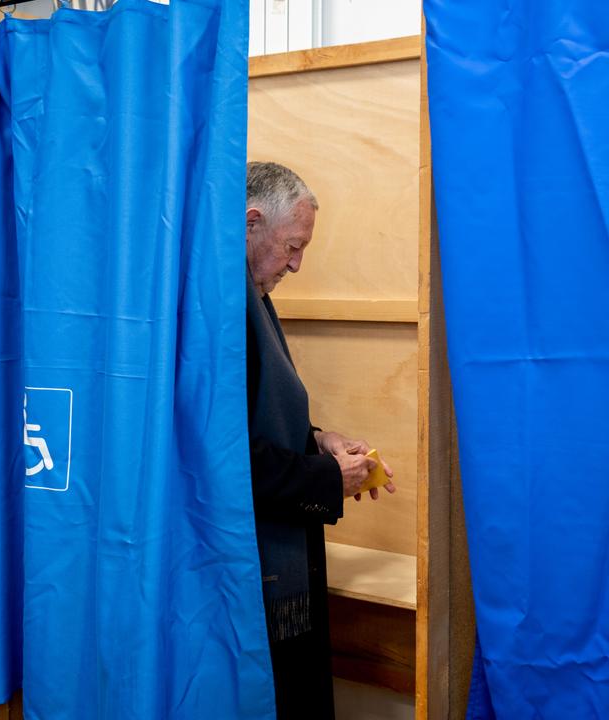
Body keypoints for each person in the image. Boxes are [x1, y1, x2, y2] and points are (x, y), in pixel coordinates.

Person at [244, 160, 396, 719]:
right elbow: (224, 457)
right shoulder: (222, 309)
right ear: (250, 222)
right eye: (292, 246)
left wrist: (319, 440)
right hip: (245, 577)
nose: (297, 264)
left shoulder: (253, 295)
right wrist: (330, 477)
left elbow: (252, 419)